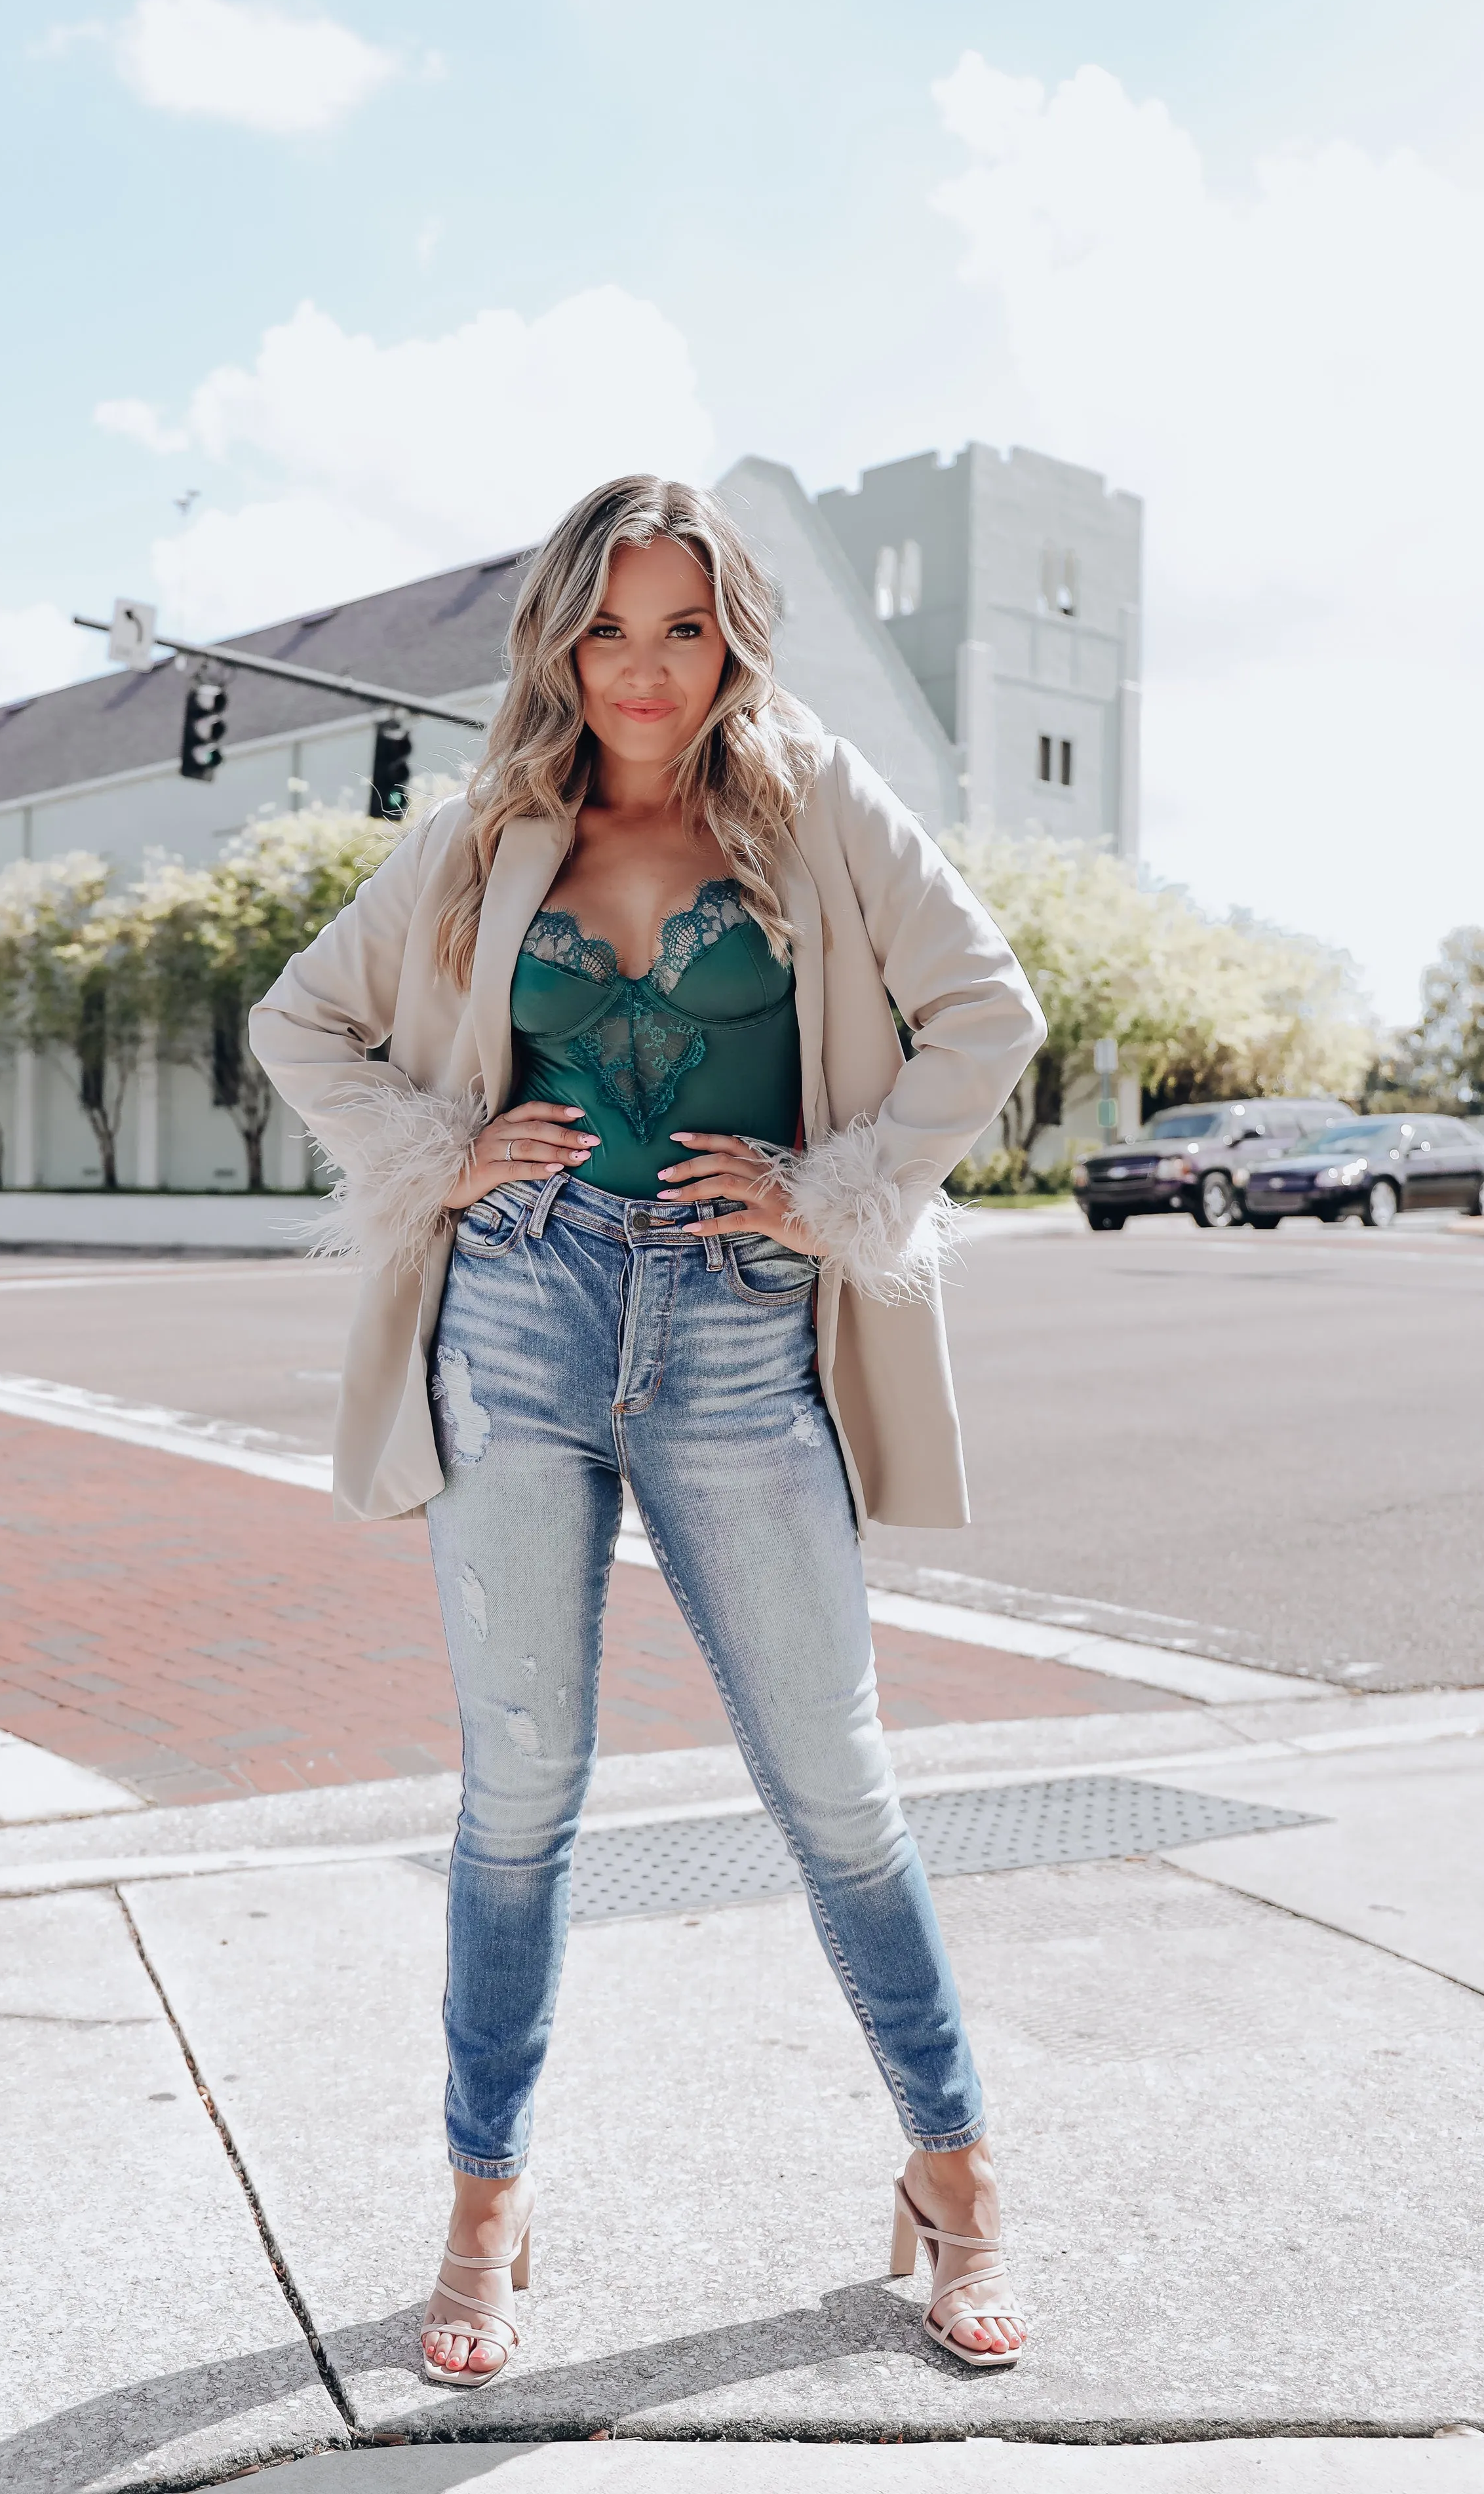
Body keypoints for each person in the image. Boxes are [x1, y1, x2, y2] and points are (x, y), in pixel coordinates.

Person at [250, 475, 1045, 2387]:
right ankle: (484, 2197)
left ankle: (950, 2174)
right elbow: (300, 1025)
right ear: (557, 642)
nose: (638, 670)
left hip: (731, 1324)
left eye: (678, 627)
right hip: (514, 1318)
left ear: (730, 636)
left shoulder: (815, 799)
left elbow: (985, 1012)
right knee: (517, 1791)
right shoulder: (490, 829)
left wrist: (833, 1187)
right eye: (605, 629)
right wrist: (444, 1155)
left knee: (833, 1784)